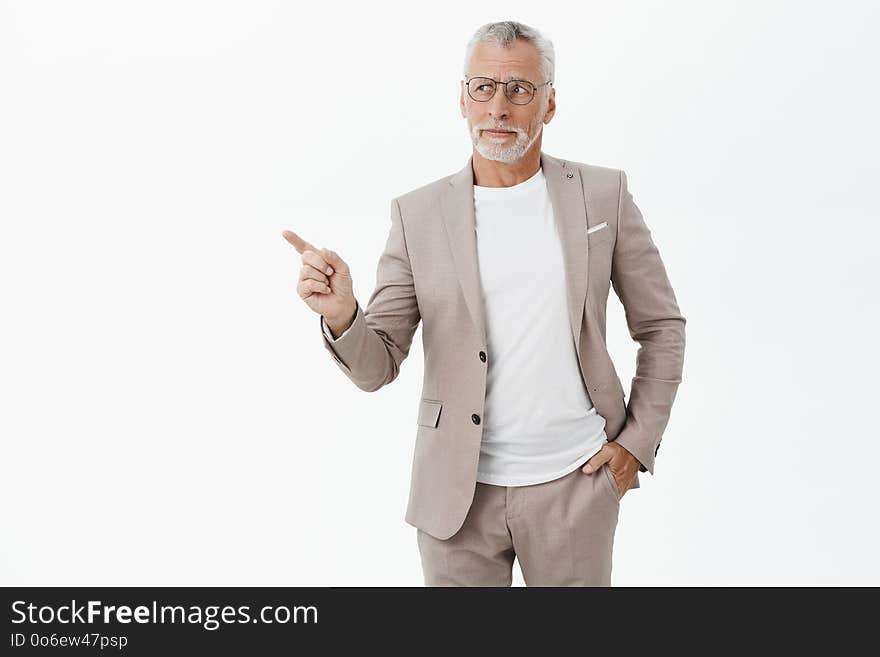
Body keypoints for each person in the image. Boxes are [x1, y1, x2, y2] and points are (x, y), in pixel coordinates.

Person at [282, 20, 686, 586]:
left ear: (548, 104)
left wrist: (635, 444)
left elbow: (662, 326)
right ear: (463, 100)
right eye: (483, 88)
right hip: (456, 498)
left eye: (519, 89)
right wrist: (343, 314)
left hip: (577, 482)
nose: (499, 106)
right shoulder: (416, 215)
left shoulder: (603, 195)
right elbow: (377, 368)